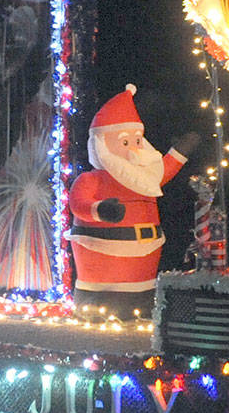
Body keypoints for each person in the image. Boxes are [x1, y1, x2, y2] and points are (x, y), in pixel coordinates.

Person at [67, 84, 198, 319]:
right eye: (125, 142)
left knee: (142, 298)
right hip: (99, 265)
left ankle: (143, 299)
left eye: (137, 141)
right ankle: (93, 305)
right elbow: (78, 203)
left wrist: (179, 152)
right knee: (98, 305)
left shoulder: (145, 176)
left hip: (144, 264)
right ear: (101, 145)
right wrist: (100, 210)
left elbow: (163, 171)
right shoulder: (91, 179)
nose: (134, 149)